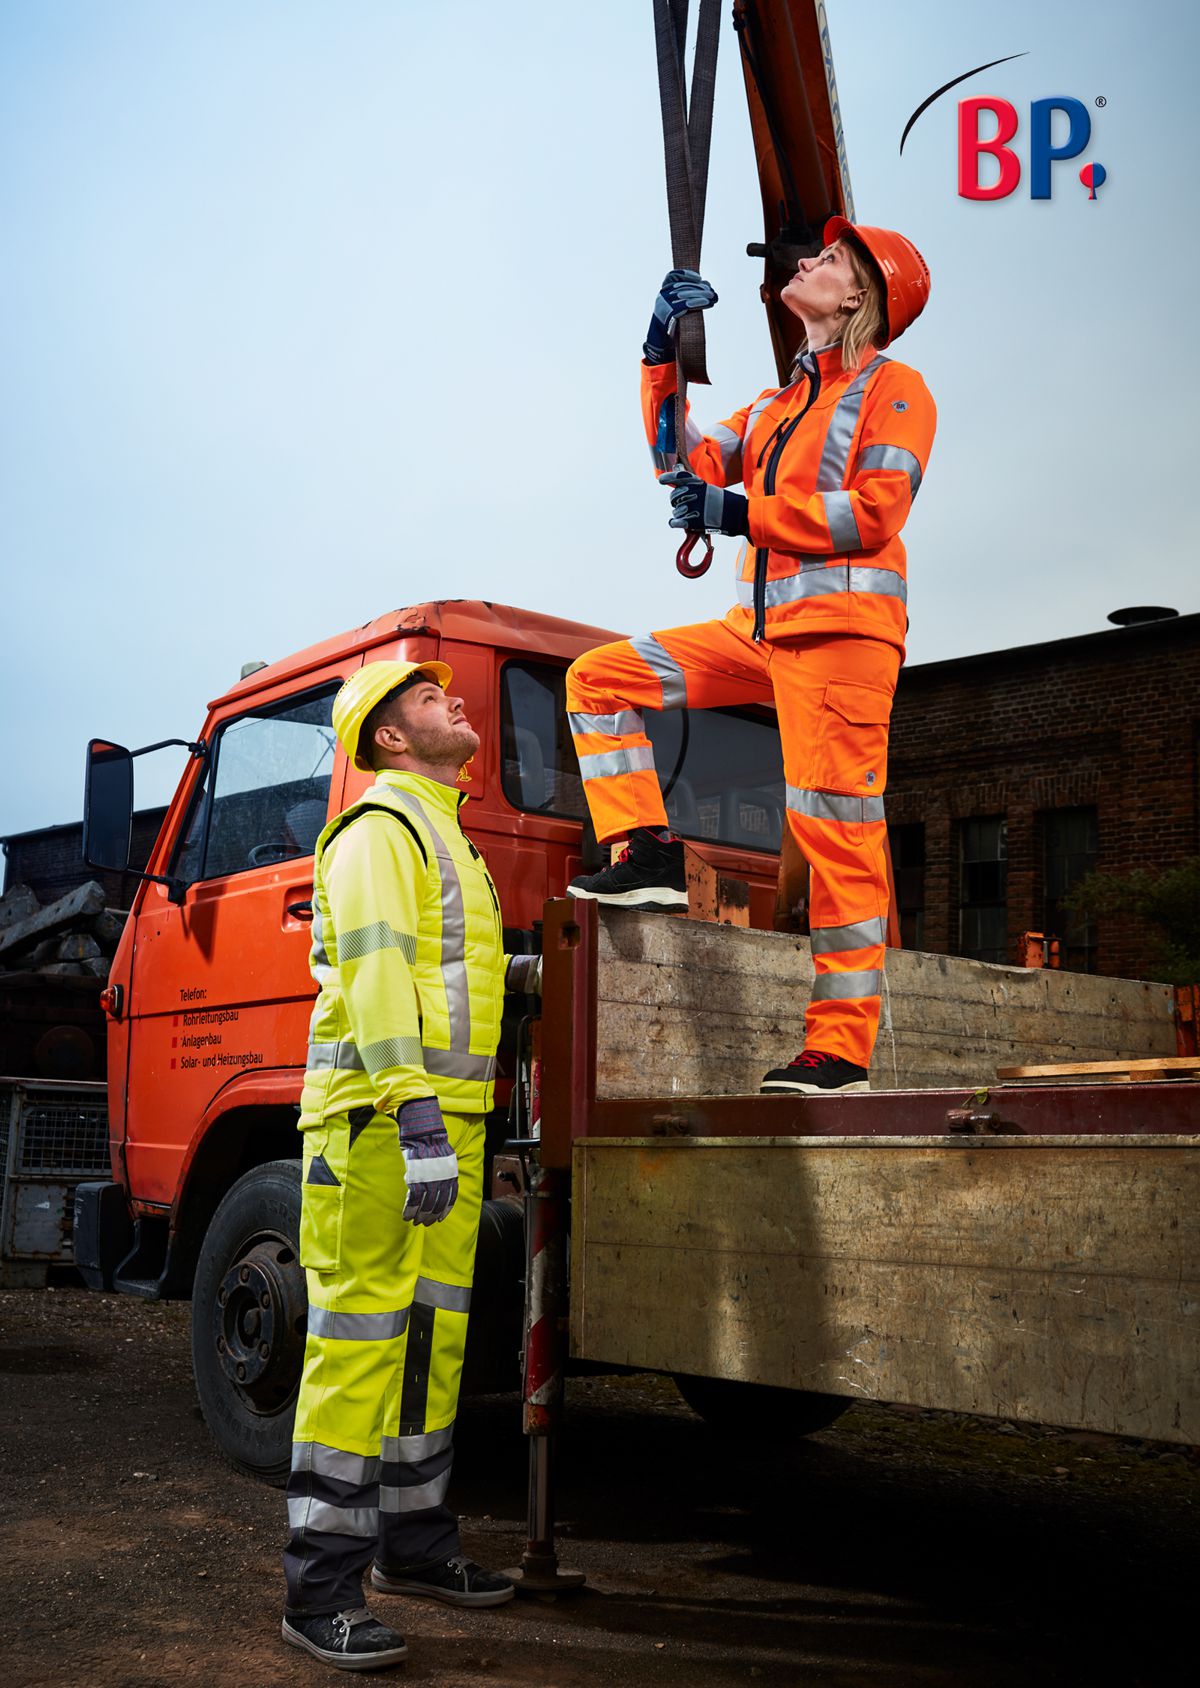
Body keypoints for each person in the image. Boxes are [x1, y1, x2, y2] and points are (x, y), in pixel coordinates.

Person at [566, 219, 936, 1096]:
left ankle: (840, 1054)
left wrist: (738, 514)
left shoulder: (897, 389)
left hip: (841, 641)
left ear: (860, 295)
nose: (806, 261)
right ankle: (648, 853)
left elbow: (875, 512)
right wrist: (659, 355)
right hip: (760, 631)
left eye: (829, 259)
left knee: (836, 834)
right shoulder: (775, 405)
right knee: (599, 679)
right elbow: (683, 463)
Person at [282, 659, 539, 1670]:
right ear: (389, 736)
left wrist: (530, 973)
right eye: (431, 699)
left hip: (449, 1128)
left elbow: (449, 976)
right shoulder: (380, 829)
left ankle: (415, 1546)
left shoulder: (447, 836)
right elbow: (378, 973)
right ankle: (318, 1590)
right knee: (358, 1345)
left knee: (431, 1341)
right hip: (383, 1128)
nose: (456, 701)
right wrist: (416, 1113)